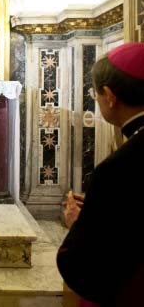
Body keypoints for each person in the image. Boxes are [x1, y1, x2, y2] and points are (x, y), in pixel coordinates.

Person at [57, 42, 144, 307]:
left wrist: (79, 223)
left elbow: (88, 264)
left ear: (110, 95)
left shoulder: (117, 169)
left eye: (95, 95)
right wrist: (99, 210)